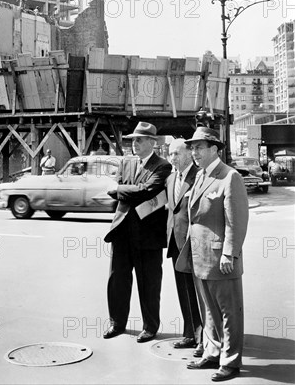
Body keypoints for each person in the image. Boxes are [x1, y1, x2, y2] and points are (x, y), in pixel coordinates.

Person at [176, 127, 249, 382]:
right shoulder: (200, 176)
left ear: (215, 149)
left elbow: (236, 221)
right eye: (192, 147)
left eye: (199, 147)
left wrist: (230, 253)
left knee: (229, 311)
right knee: (208, 309)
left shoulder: (230, 177)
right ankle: (212, 351)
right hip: (199, 256)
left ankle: (230, 362)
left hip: (220, 257)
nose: (194, 152)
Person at [103, 122, 172, 343]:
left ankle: (150, 326)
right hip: (123, 231)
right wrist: (127, 191)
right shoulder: (126, 162)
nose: (135, 143)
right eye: (133, 139)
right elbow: (136, 191)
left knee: (149, 282)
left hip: (148, 235)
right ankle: (117, 323)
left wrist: (118, 191)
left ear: (152, 142)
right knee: (118, 280)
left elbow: (147, 191)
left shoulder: (162, 166)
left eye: (139, 139)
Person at [166, 139, 203, 356]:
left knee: (198, 291)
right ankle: (189, 333)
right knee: (183, 290)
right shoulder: (171, 178)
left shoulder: (198, 175)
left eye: (176, 153)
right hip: (175, 242)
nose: (172, 158)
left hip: (192, 243)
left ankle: (202, 337)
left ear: (189, 154)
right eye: (170, 154)